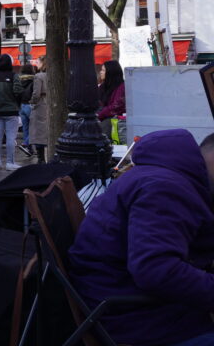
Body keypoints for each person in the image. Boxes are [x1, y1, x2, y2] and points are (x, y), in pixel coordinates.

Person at [69, 130, 214, 346]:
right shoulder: (165, 188)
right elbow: (155, 269)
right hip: (131, 317)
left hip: (126, 300)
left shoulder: (169, 176)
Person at [0, 54, 22, 170]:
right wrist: (17, 103)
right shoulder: (14, 76)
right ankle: (10, 162)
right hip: (12, 110)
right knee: (10, 138)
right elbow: (18, 91)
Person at [97, 59, 126, 141]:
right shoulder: (102, 87)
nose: (101, 72)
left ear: (110, 72)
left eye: (103, 70)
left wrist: (99, 115)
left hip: (114, 120)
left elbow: (116, 106)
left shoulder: (122, 87)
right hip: (102, 117)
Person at [28, 56, 49, 163]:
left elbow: (36, 93)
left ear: (43, 63)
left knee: (38, 132)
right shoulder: (52, 76)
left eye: (37, 62)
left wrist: (32, 102)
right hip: (50, 104)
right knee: (46, 131)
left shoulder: (38, 76)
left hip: (40, 105)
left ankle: (41, 158)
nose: (36, 64)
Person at [17, 63, 35, 150]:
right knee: (35, 127)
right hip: (30, 105)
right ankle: (26, 143)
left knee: (26, 127)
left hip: (22, 106)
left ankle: (28, 148)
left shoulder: (19, 80)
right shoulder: (34, 80)